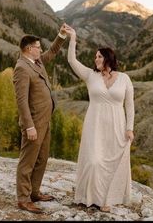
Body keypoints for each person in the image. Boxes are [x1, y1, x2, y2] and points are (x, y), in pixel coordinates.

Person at [65, 26, 135, 212]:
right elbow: (71, 60)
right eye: (95, 57)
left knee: (112, 163)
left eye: (99, 56)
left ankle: (105, 199)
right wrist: (73, 38)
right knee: (95, 160)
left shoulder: (125, 79)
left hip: (117, 125)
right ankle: (88, 196)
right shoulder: (90, 76)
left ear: (108, 59)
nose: (95, 59)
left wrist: (130, 128)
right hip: (94, 124)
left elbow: (130, 106)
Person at [13, 23, 68, 213]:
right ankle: (23, 198)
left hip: (45, 120)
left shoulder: (36, 62)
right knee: (27, 161)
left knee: (42, 158)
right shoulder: (22, 68)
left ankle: (34, 192)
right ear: (29, 49)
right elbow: (21, 101)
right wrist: (29, 126)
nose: (41, 49)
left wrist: (61, 35)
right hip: (34, 123)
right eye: (38, 46)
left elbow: (52, 52)